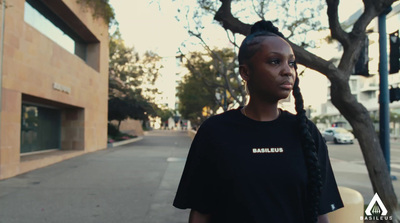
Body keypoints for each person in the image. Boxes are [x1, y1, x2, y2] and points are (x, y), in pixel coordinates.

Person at [173, 20, 343, 223]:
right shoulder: (215, 132)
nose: (287, 71)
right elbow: (201, 213)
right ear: (245, 72)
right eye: (274, 61)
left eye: (291, 63)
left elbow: (320, 211)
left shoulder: (306, 132)